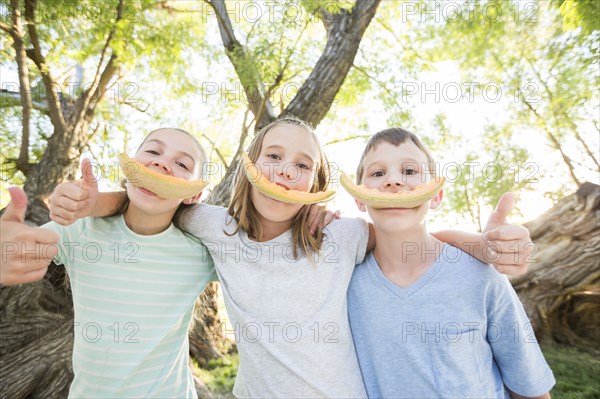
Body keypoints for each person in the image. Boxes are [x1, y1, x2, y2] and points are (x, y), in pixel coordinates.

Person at [39, 117, 534, 397]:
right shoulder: (210, 225)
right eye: (272, 156)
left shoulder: (343, 238)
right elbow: (150, 195)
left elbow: (410, 230)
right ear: (249, 166)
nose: (285, 171)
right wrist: (93, 202)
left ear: (317, 187)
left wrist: (482, 245)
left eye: (302, 165)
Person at [0, 128, 217, 398]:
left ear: (194, 195)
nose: (161, 163)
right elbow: (19, 250)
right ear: (131, 165)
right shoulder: (81, 230)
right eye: (152, 151)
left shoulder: (200, 255)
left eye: (182, 164)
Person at [347, 128, 554, 398]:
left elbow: (529, 388)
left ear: (436, 196)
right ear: (359, 199)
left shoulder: (480, 276)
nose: (393, 181)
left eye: (410, 172)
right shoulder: (345, 284)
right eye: (377, 173)